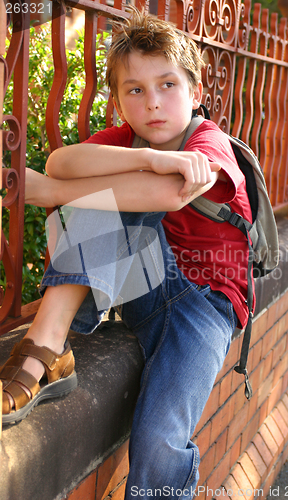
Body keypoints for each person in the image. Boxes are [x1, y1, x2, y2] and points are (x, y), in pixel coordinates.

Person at [1, 8, 253, 499]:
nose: (152, 103)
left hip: (206, 307)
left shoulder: (209, 142)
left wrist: (48, 192)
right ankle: (46, 348)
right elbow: (62, 159)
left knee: (160, 441)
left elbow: (163, 195)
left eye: (167, 85)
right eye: (134, 90)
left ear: (196, 92)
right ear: (118, 101)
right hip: (148, 286)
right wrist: (147, 156)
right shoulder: (133, 143)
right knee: (107, 194)